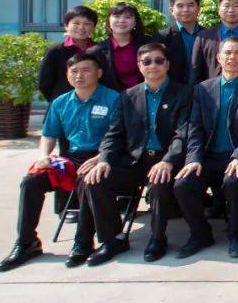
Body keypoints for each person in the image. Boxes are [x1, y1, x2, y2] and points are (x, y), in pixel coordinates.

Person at [0, 53, 120, 272]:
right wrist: (44, 155)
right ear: (67, 75)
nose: (79, 75)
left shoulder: (114, 99)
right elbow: (48, 134)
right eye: (74, 71)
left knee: (87, 180)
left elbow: (120, 135)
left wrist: (101, 157)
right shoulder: (60, 102)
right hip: (71, 158)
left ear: (99, 73)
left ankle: (83, 242)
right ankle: (26, 243)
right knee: (31, 181)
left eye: (86, 70)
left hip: (102, 156)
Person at [79, 42, 191, 265]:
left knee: (159, 182)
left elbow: (184, 133)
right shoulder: (127, 96)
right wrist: (104, 159)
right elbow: (114, 133)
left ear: (167, 64)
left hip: (165, 160)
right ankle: (113, 239)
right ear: (139, 66)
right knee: (94, 179)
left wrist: (168, 161)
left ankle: (158, 238)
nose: (153, 66)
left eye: (159, 61)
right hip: (134, 160)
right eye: (147, 62)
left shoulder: (183, 93)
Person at [173, 36, 238, 259]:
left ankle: (237, 236)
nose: (232, 57)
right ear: (218, 57)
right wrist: (193, 159)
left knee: (233, 182)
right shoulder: (203, 89)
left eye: (237, 53)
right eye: (227, 53)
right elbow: (195, 128)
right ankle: (200, 234)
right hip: (209, 156)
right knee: (183, 184)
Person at [38, 6, 99, 103]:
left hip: (96, 103)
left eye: (87, 24)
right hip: (64, 105)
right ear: (66, 26)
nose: (81, 28)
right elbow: (44, 83)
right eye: (76, 23)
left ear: (93, 27)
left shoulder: (101, 50)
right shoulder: (55, 51)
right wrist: (58, 103)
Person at [90, 2, 152, 92]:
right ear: (108, 21)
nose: (122, 20)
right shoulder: (96, 51)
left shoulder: (149, 44)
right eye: (117, 16)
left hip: (144, 96)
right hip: (112, 98)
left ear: (135, 22)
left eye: (128, 17)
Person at [157, 0, 205, 85]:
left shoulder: (211, 36)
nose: (185, 10)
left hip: (205, 90)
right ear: (171, 10)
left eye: (190, 5)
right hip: (172, 90)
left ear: (198, 9)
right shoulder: (161, 38)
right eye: (180, 6)